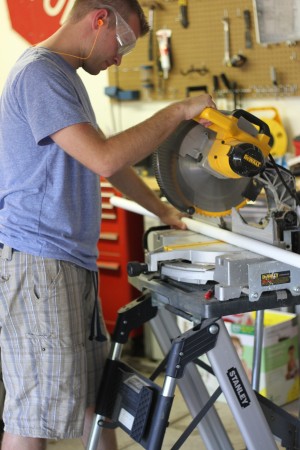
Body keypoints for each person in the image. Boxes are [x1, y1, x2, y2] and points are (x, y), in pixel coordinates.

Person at [0, 0, 216, 448]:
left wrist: (165, 211)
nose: (119, 58)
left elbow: (112, 165)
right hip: (40, 263)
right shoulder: (40, 74)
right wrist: (176, 112)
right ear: (99, 19)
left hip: (67, 262)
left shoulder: (65, 78)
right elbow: (105, 158)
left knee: (95, 401)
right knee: (34, 413)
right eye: (122, 44)